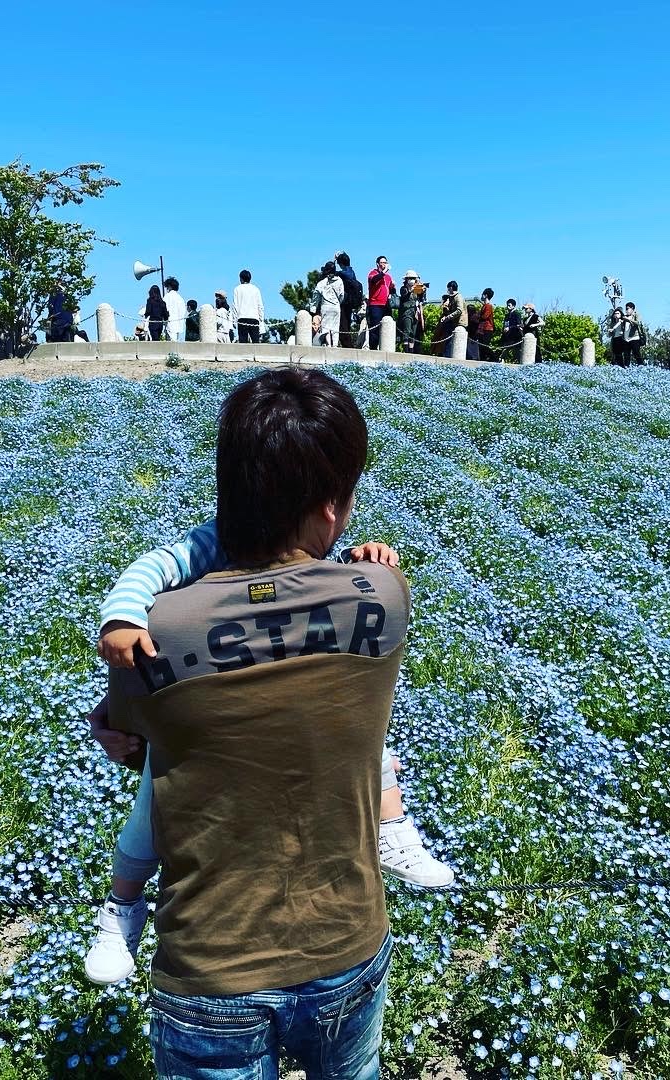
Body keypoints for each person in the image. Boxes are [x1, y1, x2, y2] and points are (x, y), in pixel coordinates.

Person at [88, 368, 408, 1078]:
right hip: (346, 943)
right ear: (330, 507)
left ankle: (119, 908)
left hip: (211, 963)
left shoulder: (159, 626)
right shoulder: (384, 595)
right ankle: (400, 830)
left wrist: (113, 719)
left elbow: (131, 745)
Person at [311, 261, 345, 347]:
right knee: (335, 327)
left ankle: (329, 344)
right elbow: (341, 295)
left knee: (326, 327)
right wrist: (338, 302)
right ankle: (335, 345)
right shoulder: (339, 281)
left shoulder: (322, 282)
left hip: (325, 306)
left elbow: (316, 296)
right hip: (336, 306)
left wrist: (313, 309)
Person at [366, 256, 394, 350]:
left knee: (387, 327)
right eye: (382, 262)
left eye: (385, 262)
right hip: (375, 305)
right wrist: (383, 272)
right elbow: (374, 280)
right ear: (378, 264)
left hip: (386, 305)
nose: (384, 264)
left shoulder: (388, 277)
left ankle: (385, 348)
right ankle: (373, 349)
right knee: (375, 329)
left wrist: (393, 287)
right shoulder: (373, 273)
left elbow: (391, 290)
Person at [231, 270, 266, 344]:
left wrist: (234, 320)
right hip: (254, 318)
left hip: (242, 318)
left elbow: (235, 306)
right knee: (256, 342)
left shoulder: (237, 289)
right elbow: (260, 306)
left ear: (241, 278)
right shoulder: (256, 289)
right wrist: (261, 319)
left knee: (243, 343)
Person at [335, 252, 363, 344]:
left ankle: (347, 345)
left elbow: (328, 270)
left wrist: (334, 260)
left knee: (343, 325)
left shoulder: (342, 274)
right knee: (346, 324)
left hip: (344, 302)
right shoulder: (352, 272)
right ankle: (347, 344)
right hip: (350, 302)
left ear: (340, 263)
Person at [395, 271, 426, 354]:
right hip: (406, 312)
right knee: (407, 331)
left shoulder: (416, 289)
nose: (412, 280)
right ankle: (406, 351)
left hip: (415, 313)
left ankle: (411, 352)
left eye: (413, 278)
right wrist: (411, 290)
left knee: (413, 333)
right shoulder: (403, 288)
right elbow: (404, 296)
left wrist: (422, 291)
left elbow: (421, 299)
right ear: (407, 279)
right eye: (410, 278)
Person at [435, 281, 464, 357]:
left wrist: (447, 317)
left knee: (449, 341)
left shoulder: (458, 297)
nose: (447, 290)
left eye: (448, 288)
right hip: (453, 322)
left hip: (457, 323)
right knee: (447, 341)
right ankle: (446, 355)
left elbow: (459, 310)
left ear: (451, 288)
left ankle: (447, 356)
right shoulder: (453, 297)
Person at [162, 278, 188, 342]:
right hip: (179, 322)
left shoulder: (167, 296)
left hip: (170, 321)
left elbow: (164, 309)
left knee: (170, 340)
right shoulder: (180, 298)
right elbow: (183, 311)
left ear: (169, 286)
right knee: (176, 339)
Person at [476, 288, 497, 362]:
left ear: (486, 295)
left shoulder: (488, 306)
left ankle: (495, 358)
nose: (481, 296)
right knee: (481, 346)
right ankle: (483, 360)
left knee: (485, 346)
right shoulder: (484, 305)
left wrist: (477, 316)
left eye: (482, 294)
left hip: (487, 329)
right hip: (482, 329)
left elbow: (484, 316)